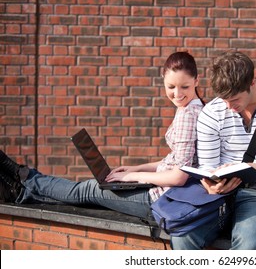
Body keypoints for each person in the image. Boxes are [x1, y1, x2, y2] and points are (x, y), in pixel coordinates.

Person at [0, 51, 204, 221]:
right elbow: (177, 160)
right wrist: (136, 168)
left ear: (197, 80)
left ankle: (22, 177)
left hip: (161, 200)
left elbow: (178, 176)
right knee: (90, 189)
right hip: (162, 191)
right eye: (171, 87)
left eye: (184, 87)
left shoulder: (188, 114)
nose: (177, 94)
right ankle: (20, 189)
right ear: (163, 82)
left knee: (89, 190)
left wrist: (133, 176)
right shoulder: (192, 107)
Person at [170, 51, 256, 250]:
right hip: (218, 194)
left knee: (248, 245)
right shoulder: (212, 112)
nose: (229, 107)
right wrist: (210, 185)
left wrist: (247, 167)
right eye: (224, 100)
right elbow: (208, 166)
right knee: (183, 236)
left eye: (235, 99)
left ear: (252, 83)